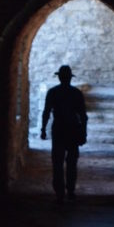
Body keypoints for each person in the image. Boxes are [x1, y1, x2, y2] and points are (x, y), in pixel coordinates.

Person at [41, 65, 88, 202]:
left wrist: (43, 129)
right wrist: (83, 132)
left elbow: (46, 112)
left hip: (59, 129)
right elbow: (83, 116)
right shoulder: (76, 93)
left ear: (59, 77)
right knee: (72, 162)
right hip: (73, 129)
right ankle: (70, 190)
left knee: (57, 162)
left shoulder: (53, 92)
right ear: (70, 78)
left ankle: (59, 193)